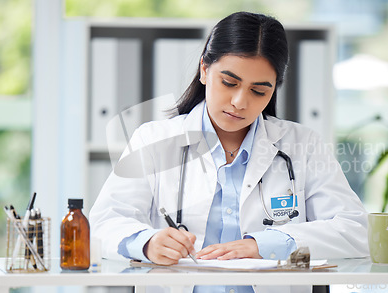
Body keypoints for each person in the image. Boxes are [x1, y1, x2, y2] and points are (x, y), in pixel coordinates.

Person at [90, 11, 369, 293]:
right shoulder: (152, 140)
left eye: (258, 91)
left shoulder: (303, 145)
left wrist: (266, 244)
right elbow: (104, 223)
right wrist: (147, 242)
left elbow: (355, 230)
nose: (239, 102)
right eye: (229, 82)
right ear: (204, 69)